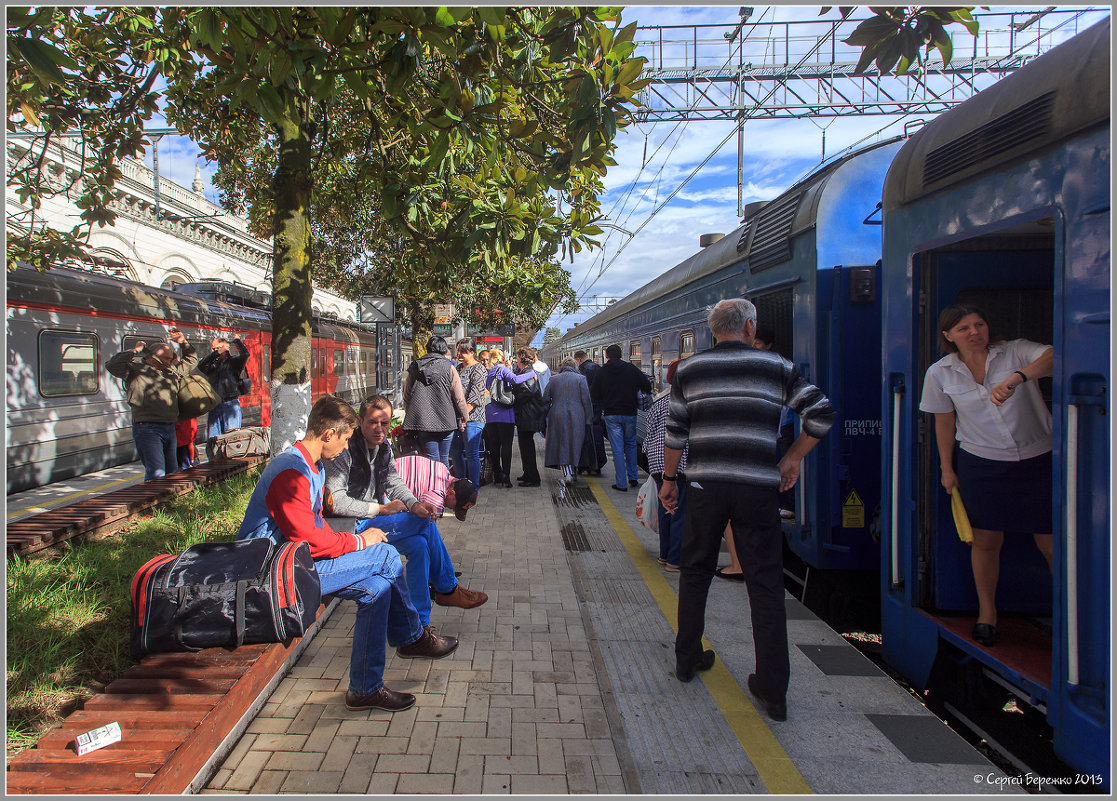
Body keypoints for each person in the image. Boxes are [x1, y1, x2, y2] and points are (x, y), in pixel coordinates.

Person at [659, 298, 834, 722]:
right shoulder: (777, 367)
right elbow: (822, 414)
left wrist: (668, 480)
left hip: (705, 484)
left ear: (712, 330)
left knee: (696, 571)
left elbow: (676, 432)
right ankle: (773, 690)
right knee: (766, 584)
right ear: (750, 327)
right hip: (757, 487)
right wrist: (793, 457)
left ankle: (687, 658)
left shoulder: (689, 370)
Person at [238, 395, 458, 713]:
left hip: (295, 562)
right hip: (271, 573)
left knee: (379, 588)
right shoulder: (292, 472)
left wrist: (349, 539)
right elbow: (308, 540)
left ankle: (364, 690)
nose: (345, 448)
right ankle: (412, 636)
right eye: (344, 439)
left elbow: (311, 536)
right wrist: (358, 542)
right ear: (329, 434)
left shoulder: (308, 465)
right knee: (385, 555)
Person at [919, 304, 1054, 648]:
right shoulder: (940, 373)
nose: (974, 332)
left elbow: (1055, 355)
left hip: (1038, 458)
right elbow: (944, 421)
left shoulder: (1015, 352)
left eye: (979, 324)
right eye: (964, 328)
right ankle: (987, 615)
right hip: (982, 463)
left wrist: (1018, 377)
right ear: (948, 336)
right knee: (986, 542)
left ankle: (1066, 615)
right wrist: (947, 470)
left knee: (1052, 543)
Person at [322, 394, 487, 627]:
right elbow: (336, 502)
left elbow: (393, 482)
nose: (379, 429)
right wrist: (381, 508)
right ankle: (448, 589)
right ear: (360, 421)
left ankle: (419, 622)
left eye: (385, 423)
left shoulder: (384, 446)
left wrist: (414, 504)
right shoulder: (344, 448)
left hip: (372, 520)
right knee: (424, 523)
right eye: (373, 422)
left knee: (420, 545)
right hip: (351, 526)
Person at [105, 326, 198, 480]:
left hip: (169, 426)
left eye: (170, 358)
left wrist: (183, 342)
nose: (170, 362)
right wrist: (134, 351)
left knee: (172, 470)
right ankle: (156, 503)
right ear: (153, 357)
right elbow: (112, 365)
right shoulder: (136, 370)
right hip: (147, 428)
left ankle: (171, 502)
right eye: (166, 358)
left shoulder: (171, 372)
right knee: (156, 471)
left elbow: (191, 361)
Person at [644, 358, 688, 572]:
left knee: (666, 508)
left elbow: (648, 432)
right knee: (680, 510)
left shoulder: (659, 402)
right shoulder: (689, 402)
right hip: (679, 461)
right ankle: (675, 560)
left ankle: (664, 555)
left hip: (656, 461)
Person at [590, 344, 651, 492]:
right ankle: (634, 478)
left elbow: (594, 395)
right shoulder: (631, 368)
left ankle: (622, 483)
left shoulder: (602, 371)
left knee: (617, 448)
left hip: (611, 414)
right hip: (630, 413)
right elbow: (647, 385)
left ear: (607, 356)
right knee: (630, 444)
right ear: (621, 355)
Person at [403, 335, 468, 468]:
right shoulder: (449, 367)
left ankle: (434, 487)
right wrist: (465, 417)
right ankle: (444, 486)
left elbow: (407, 395)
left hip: (423, 421)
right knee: (443, 457)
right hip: (447, 421)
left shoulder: (415, 366)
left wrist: (412, 415)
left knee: (431, 458)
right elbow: (459, 397)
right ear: (444, 349)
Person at [484, 348, 536, 488]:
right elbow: (516, 379)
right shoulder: (502, 370)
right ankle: (506, 477)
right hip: (505, 414)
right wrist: (532, 373)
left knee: (494, 445)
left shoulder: (488, 372)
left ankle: (497, 474)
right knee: (506, 445)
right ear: (501, 358)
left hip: (489, 413)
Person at [542, 358, 594, 485]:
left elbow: (545, 399)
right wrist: (588, 418)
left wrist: (548, 412)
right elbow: (586, 401)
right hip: (577, 415)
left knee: (562, 443)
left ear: (562, 366)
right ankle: (573, 471)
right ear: (575, 366)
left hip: (557, 415)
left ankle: (568, 473)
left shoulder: (554, 379)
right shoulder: (581, 379)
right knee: (574, 443)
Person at [197, 336, 250, 442]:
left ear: (225, 348)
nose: (215, 351)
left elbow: (245, 354)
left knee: (232, 438)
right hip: (215, 404)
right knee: (214, 438)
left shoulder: (234, 362)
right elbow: (201, 366)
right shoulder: (213, 365)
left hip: (230, 403)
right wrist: (215, 353)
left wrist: (237, 341)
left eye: (217, 348)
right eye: (214, 349)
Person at [450, 338, 487, 488]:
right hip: (458, 418)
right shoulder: (458, 368)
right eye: (458, 351)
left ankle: (473, 487)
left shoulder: (479, 369)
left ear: (472, 352)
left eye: (462, 351)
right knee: (455, 452)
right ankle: (460, 484)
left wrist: (464, 417)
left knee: (471, 453)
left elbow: (476, 397)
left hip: (473, 418)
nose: (458, 354)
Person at [511, 347, 548, 487]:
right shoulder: (525, 372)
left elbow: (528, 391)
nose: (516, 360)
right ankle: (528, 473)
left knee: (527, 447)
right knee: (525, 446)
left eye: (517, 358)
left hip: (528, 415)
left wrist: (513, 399)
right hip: (526, 415)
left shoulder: (528, 373)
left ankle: (533, 478)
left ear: (521, 358)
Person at [574, 350, 606, 476]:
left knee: (585, 435)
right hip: (598, 406)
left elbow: (582, 390)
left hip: (585, 406)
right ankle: (598, 463)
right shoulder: (598, 368)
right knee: (597, 434)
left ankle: (585, 464)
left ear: (579, 360)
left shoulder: (582, 370)